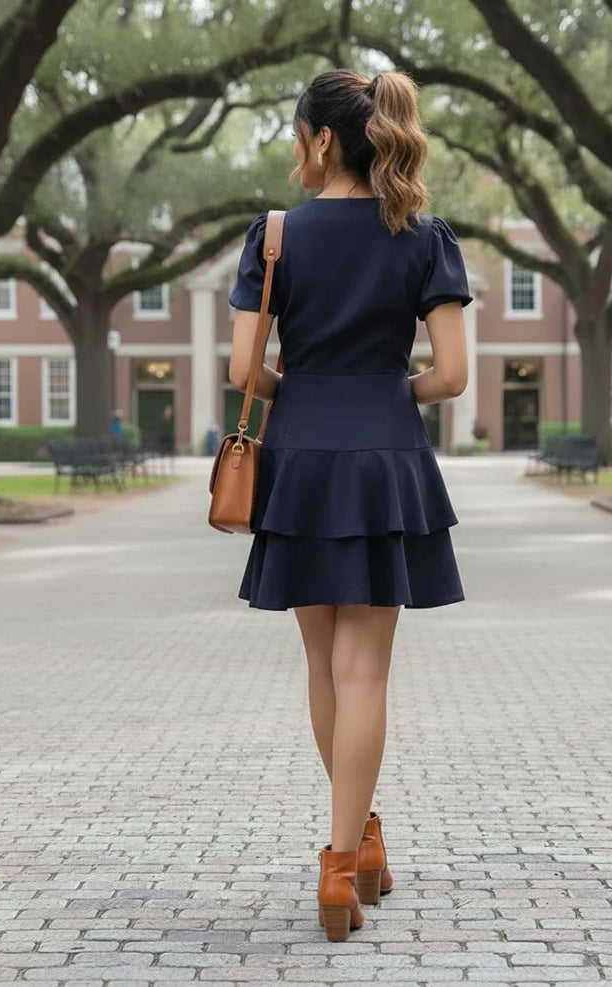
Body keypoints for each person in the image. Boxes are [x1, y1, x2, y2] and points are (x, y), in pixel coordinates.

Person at [227, 69, 471, 942]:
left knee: (325, 668)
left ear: (323, 139)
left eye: (297, 133)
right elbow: (448, 375)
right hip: (385, 459)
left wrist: (305, 385)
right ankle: (349, 853)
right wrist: (383, 389)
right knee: (366, 672)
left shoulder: (276, 236)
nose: (295, 146)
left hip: (299, 459)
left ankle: (352, 845)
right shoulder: (425, 235)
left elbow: (243, 370)